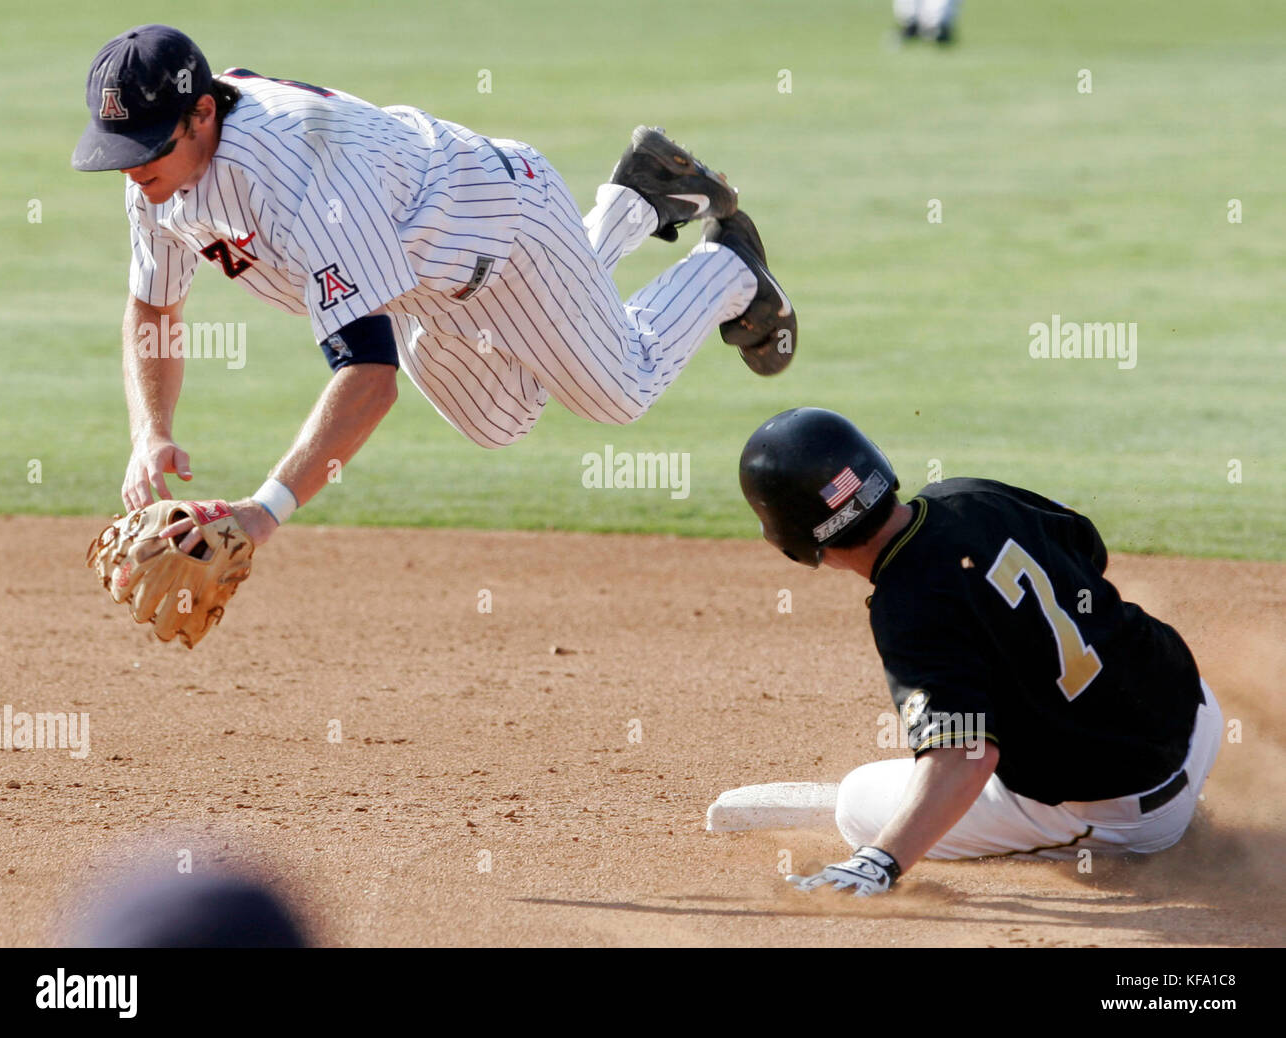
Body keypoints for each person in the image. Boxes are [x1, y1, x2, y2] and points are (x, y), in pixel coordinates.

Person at [73, 24, 797, 553]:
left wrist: (263, 512)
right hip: (417, 281)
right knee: (501, 419)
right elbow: (154, 304)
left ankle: (730, 269)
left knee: (622, 388)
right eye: (120, 153)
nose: (132, 172)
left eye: (147, 149)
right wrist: (150, 434)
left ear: (203, 114)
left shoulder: (297, 175)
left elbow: (369, 377)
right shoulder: (157, 178)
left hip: (506, 231)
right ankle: (636, 200)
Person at [738, 407, 1221, 895]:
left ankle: (1154, 829)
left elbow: (967, 755)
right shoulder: (967, 494)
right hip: (1198, 710)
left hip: (1134, 809)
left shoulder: (905, 607)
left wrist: (879, 863)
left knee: (857, 803)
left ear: (793, 538)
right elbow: (1087, 549)